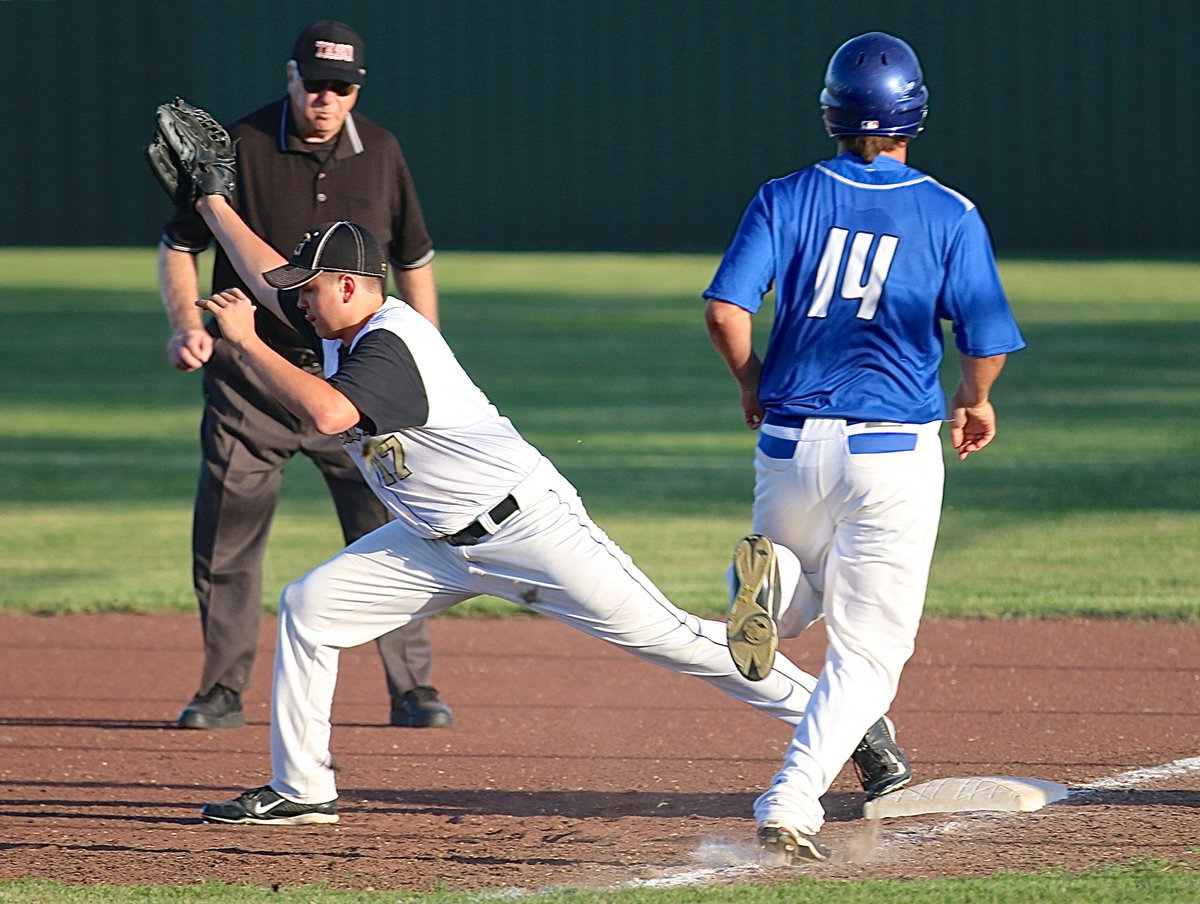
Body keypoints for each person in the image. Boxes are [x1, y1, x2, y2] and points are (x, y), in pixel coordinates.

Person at [182, 189, 906, 827]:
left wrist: (244, 343)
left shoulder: (391, 344)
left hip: (527, 529)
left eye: (309, 290)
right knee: (310, 607)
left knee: (672, 639)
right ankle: (303, 788)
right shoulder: (340, 320)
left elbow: (330, 415)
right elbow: (267, 278)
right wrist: (215, 202)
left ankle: (852, 722)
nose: (298, 303)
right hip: (434, 543)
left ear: (349, 286)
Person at [704, 32, 1026, 862]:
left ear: (831, 114)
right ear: (915, 114)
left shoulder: (784, 196)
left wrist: (751, 382)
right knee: (870, 655)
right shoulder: (949, 211)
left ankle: (774, 590)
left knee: (796, 593)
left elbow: (725, 311)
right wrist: (975, 397)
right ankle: (792, 797)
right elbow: (985, 338)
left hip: (789, 444)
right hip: (890, 450)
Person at [156, 20, 452, 730]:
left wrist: (426, 343)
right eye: (316, 84)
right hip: (249, 379)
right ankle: (222, 689)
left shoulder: (380, 150)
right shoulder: (242, 145)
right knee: (226, 535)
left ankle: (412, 686)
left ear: (357, 90)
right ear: (291, 77)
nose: (327, 99)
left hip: (351, 378)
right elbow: (178, 243)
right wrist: (187, 323)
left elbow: (413, 256)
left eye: (341, 88)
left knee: (393, 526)